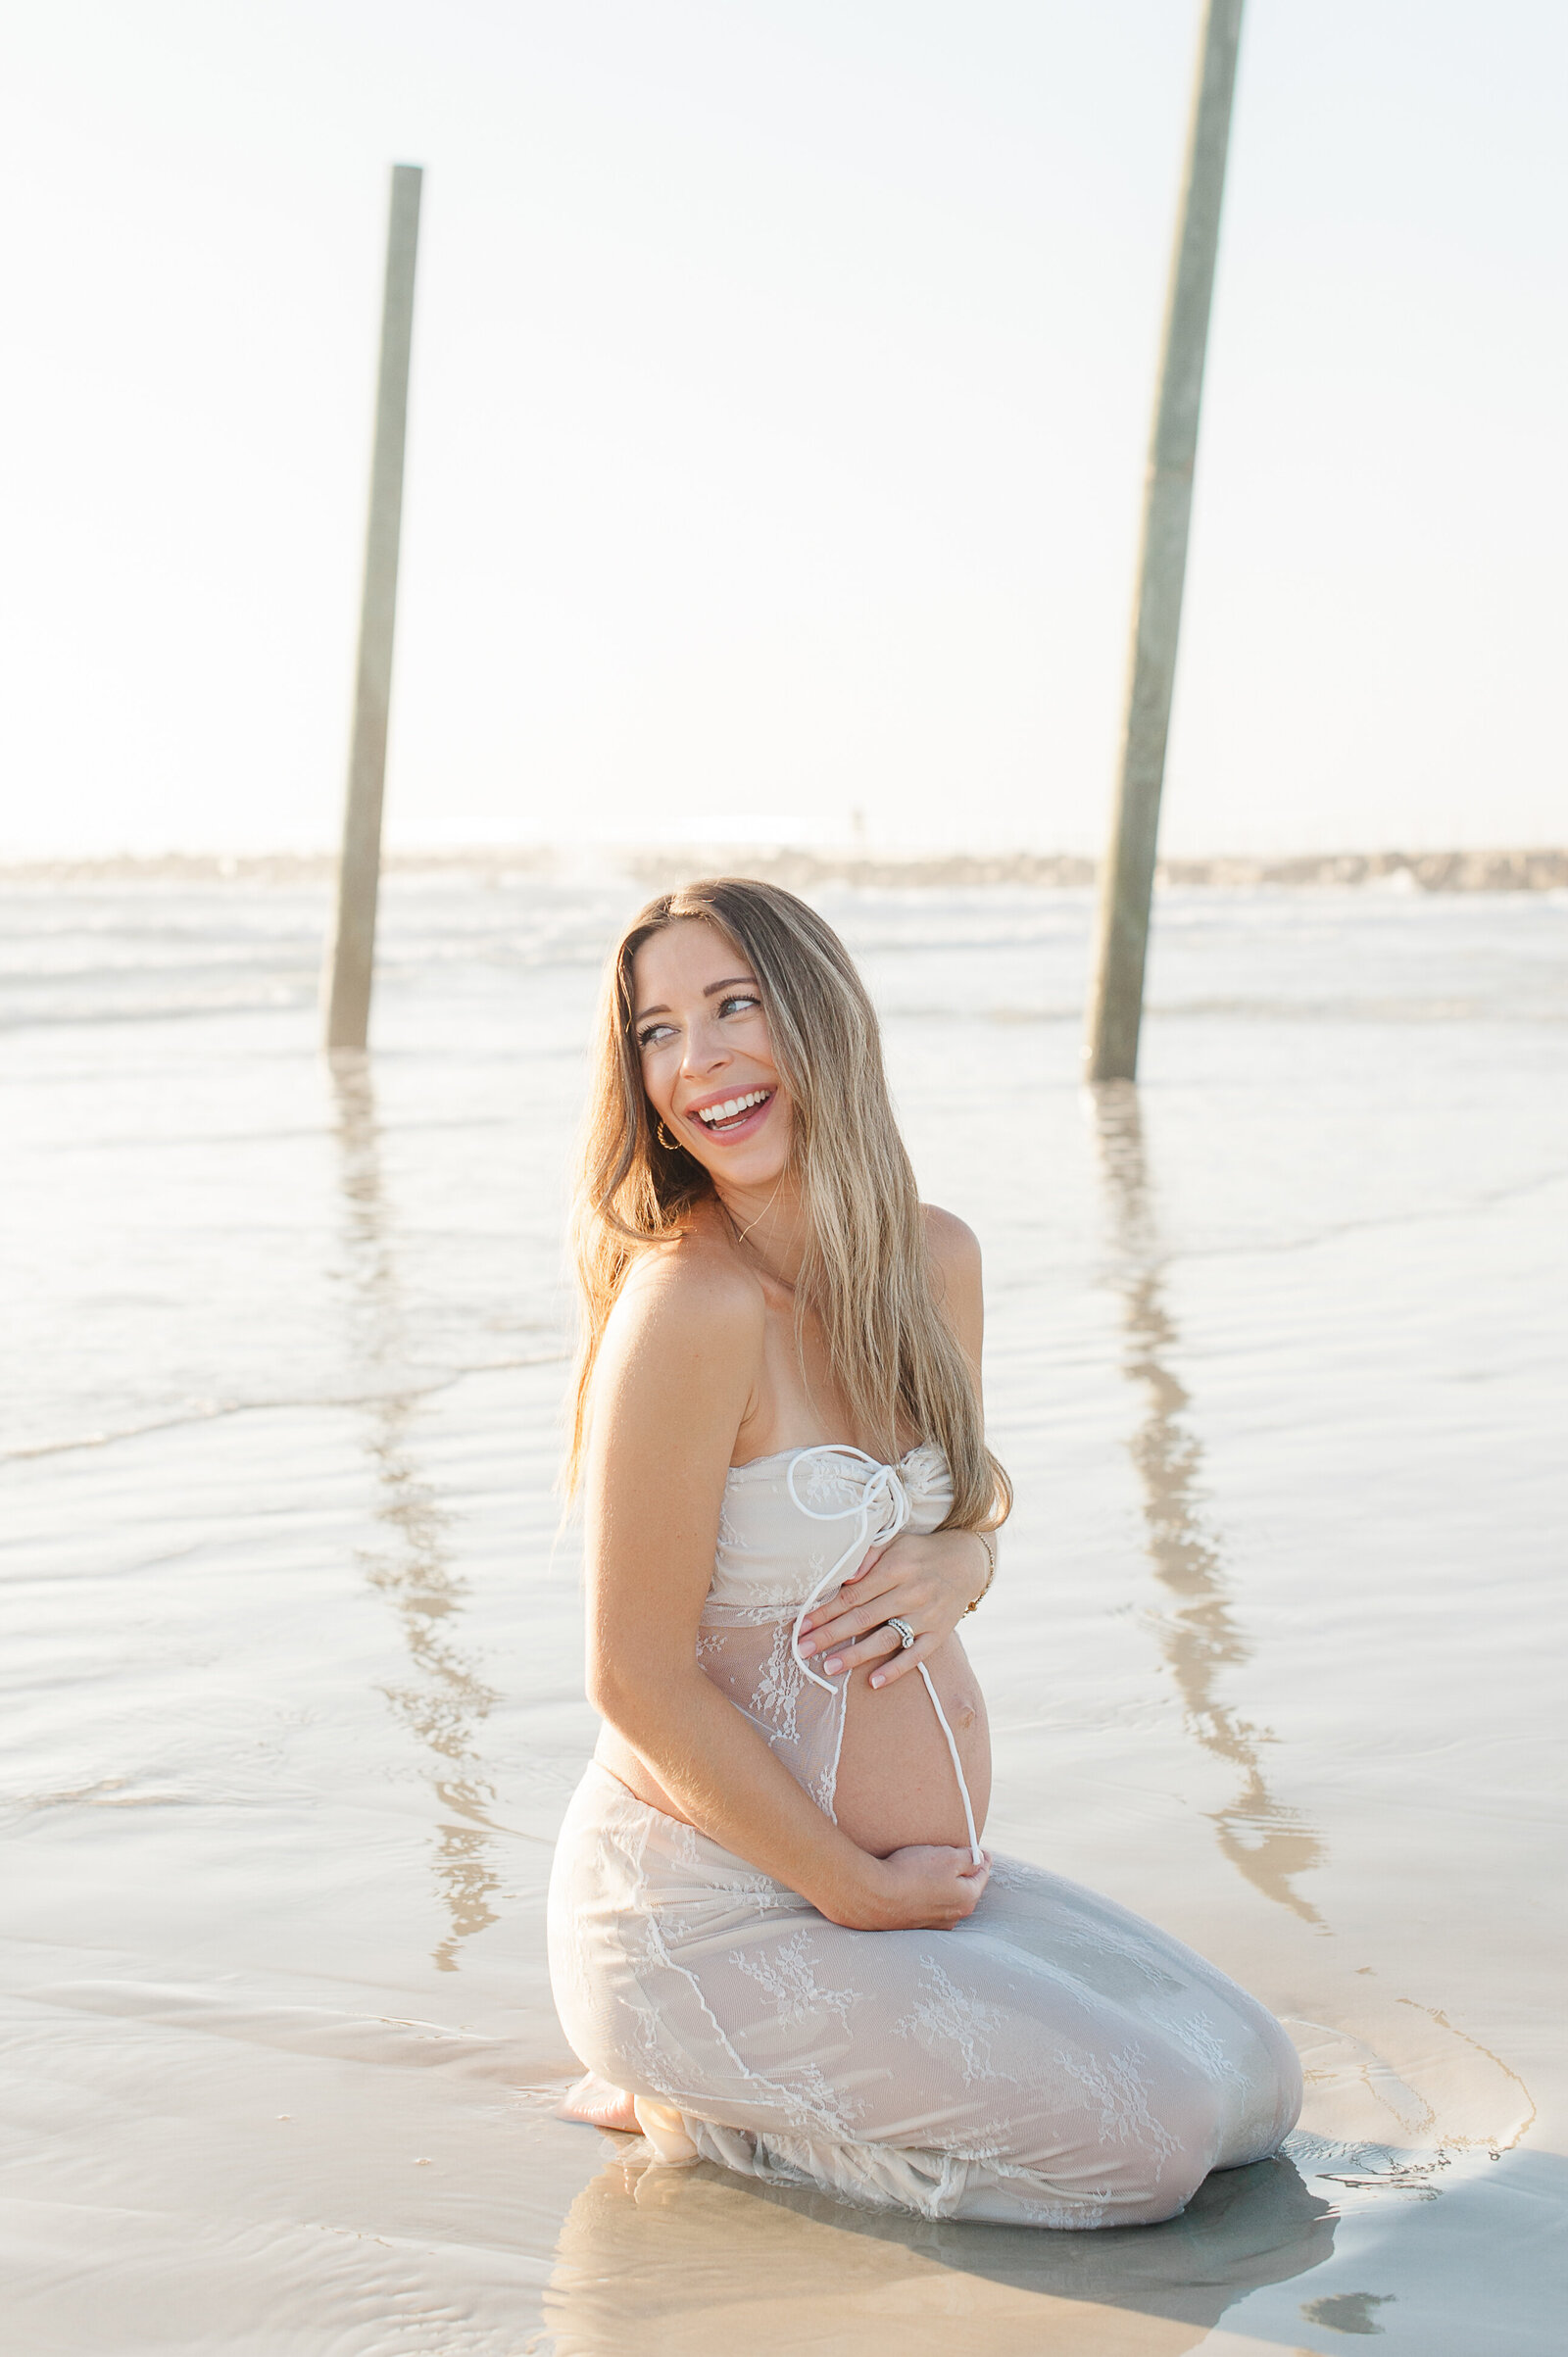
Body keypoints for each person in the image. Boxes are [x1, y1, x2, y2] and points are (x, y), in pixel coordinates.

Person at [547, 877, 1300, 2227]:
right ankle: (696, 2095)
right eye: (657, 1031)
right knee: (1154, 2148)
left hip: (893, 1898)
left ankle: (774, 2073)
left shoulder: (935, 1262)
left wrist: (970, 1561)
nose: (699, 1059)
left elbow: (945, 1516)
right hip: (717, 1912)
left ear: (823, 1018)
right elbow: (634, 1679)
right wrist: (854, 1886)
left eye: (735, 1005)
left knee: (1255, 2088)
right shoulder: (687, 1307)